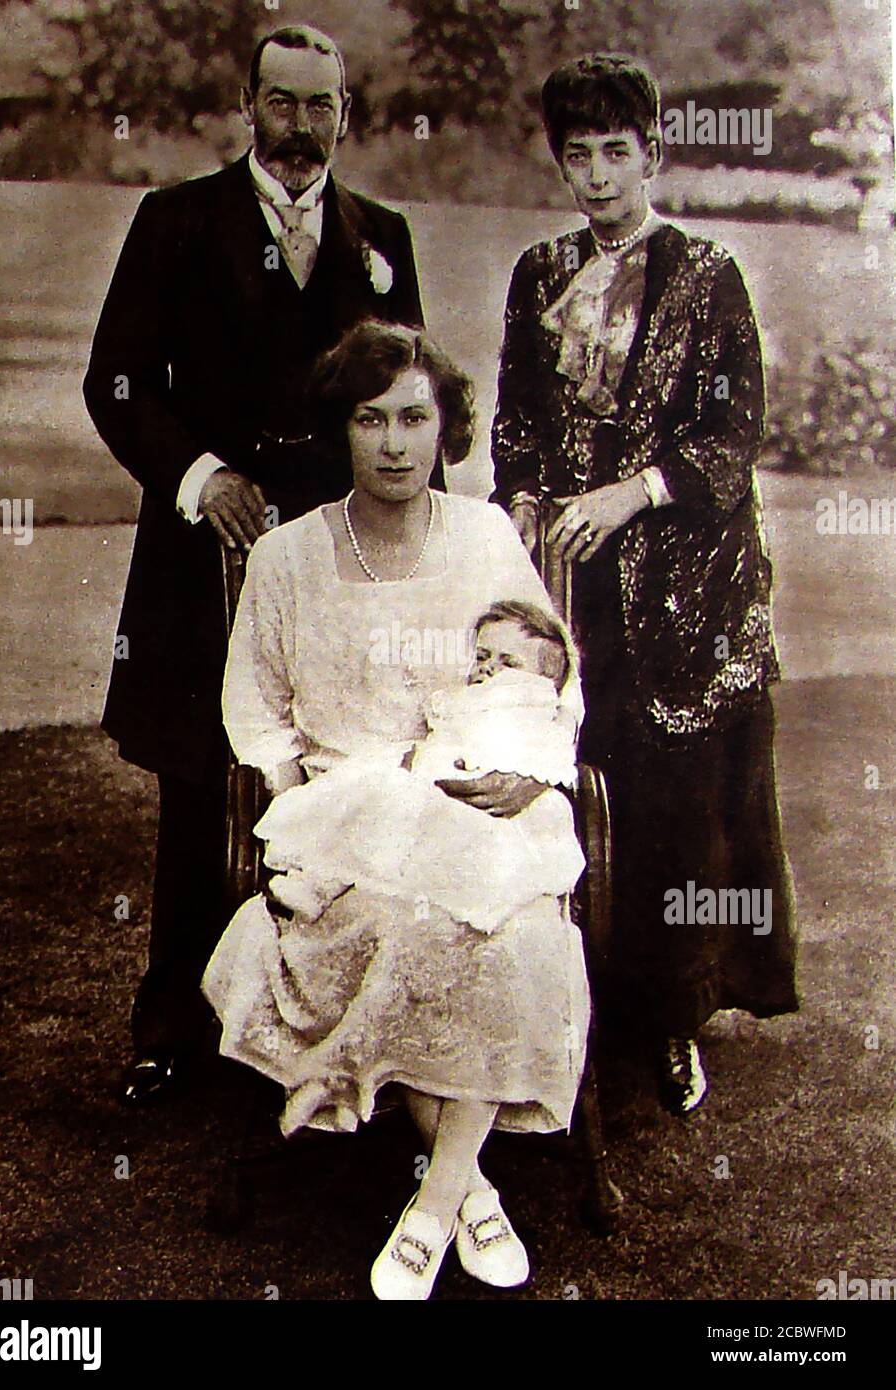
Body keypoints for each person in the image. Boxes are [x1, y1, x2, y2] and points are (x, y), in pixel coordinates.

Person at [203, 321, 591, 1299]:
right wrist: (298, 817)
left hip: (478, 800)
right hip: (354, 816)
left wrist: (533, 771)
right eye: (369, 418)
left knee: (506, 929)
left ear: (443, 427)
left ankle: (438, 1194)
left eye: (413, 417)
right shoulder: (288, 558)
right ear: (340, 429)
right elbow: (254, 708)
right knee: (405, 926)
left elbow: (557, 681)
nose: (392, 443)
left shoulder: (488, 538)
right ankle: (466, 1188)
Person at [82, 25, 424, 1105]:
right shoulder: (175, 222)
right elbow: (120, 382)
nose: (299, 126)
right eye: (280, 102)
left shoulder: (383, 237)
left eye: (320, 106)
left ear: (347, 114)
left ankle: (334, 1034)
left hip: (340, 562)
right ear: (247, 104)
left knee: (338, 774)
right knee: (203, 791)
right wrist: (201, 477)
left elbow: (411, 404)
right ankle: (172, 1030)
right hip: (203, 562)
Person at [491, 53, 798, 1117]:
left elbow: (730, 435)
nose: (595, 176)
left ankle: (671, 1022)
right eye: (576, 155)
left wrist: (626, 495)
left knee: (672, 805)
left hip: (684, 586)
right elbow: (516, 418)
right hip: (570, 584)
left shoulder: (708, 276)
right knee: (563, 782)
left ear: (652, 153)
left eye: (615, 153)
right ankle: (563, 1003)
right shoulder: (538, 273)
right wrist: (525, 498)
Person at [249, 599, 585, 935]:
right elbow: (439, 743)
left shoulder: (539, 719)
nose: (488, 669)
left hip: (495, 822)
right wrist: (419, 760)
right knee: (374, 807)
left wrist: (522, 770)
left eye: (509, 664)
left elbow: (555, 761)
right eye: (482, 656)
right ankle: (313, 886)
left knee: (401, 818)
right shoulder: (462, 703)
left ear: (545, 685)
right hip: (438, 800)